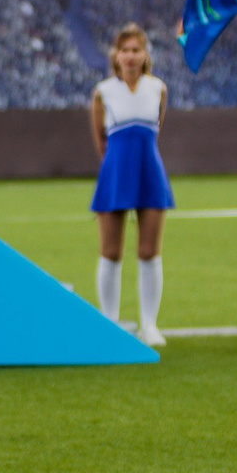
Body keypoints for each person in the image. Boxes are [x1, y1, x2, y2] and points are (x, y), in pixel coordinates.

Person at [90, 22, 173, 349]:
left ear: (145, 54)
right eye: (124, 50)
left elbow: (156, 128)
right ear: (115, 55)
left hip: (149, 171)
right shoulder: (103, 91)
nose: (130, 56)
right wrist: (116, 167)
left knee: (149, 252)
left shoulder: (158, 88)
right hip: (115, 173)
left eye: (136, 49)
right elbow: (100, 140)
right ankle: (108, 322)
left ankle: (149, 325)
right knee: (110, 253)